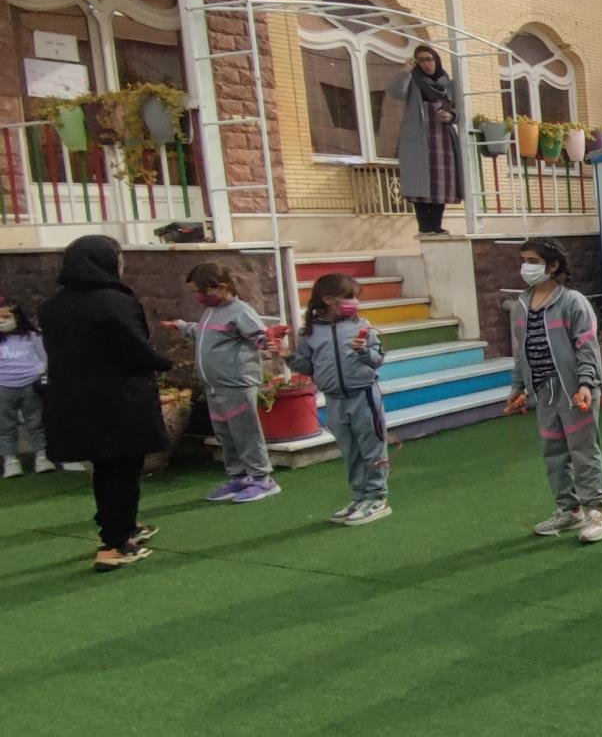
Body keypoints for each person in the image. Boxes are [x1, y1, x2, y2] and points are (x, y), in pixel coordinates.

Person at [39, 235, 173, 570]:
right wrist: (162, 362)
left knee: (105, 468)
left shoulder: (53, 305)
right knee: (124, 469)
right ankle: (116, 544)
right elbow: (134, 348)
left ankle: (120, 526)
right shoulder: (115, 302)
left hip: (76, 400)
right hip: (119, 399)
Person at [503, 238, 602, 544]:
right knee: (554, 452)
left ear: (553, 265)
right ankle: (569, 510)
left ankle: (596, 513)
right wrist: (518, 386)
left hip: (574, 391)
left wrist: (586, 384)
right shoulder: (521, 306)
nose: (526, 266)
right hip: (543, 391)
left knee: (583, 450)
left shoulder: (572, 302)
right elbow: (519, 351)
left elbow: (586, 346)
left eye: (533, 261)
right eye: (523, 260)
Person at [163, 261, 280, 504]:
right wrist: (183, 327)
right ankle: (239, 476)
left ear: (222, 287)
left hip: (236, 383)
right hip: (214, 385)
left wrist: (270, 338)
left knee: (245, 432)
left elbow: (259, 338)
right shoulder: (211, 312)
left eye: (201, 291)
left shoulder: (240, 311)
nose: (198, 297)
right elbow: (204, 333)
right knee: (225, 433)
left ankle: (262, 478)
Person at [290, 272, 391, 526]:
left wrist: (364, 352)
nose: (354, 303)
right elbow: (306, 366)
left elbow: (378, 359)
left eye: (355, 298)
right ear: (328, 300)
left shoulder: (362, 326)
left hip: (364, 395)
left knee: (372, 447)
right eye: (348, 298)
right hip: (334, 399)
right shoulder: (310, 332)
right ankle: (359, 496)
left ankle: (377, 497)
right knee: (350, 450)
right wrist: (286, 356)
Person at [394, 42, 462, 237]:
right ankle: (424, 226)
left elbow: (460, 109)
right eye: (421, 60)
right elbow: (396, 93)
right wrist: (405, 72)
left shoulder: (447, 83)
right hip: (419, 136)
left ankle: (436, 225)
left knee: (441, 181)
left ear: (436, 60)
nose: (426, 64)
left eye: (429, 59)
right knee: (420, 180)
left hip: (442, 136)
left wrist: (452, 116)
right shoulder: (413, 81)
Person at [0, 293, 53, 477]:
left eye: (6, 316)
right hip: (3, 386)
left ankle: (41, 456)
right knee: (5, 425)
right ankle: (10, 460)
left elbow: (44, 357)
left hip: (31, 384)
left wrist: (40, 372)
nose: (2, 321)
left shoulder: (32, 336)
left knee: (36, 421)